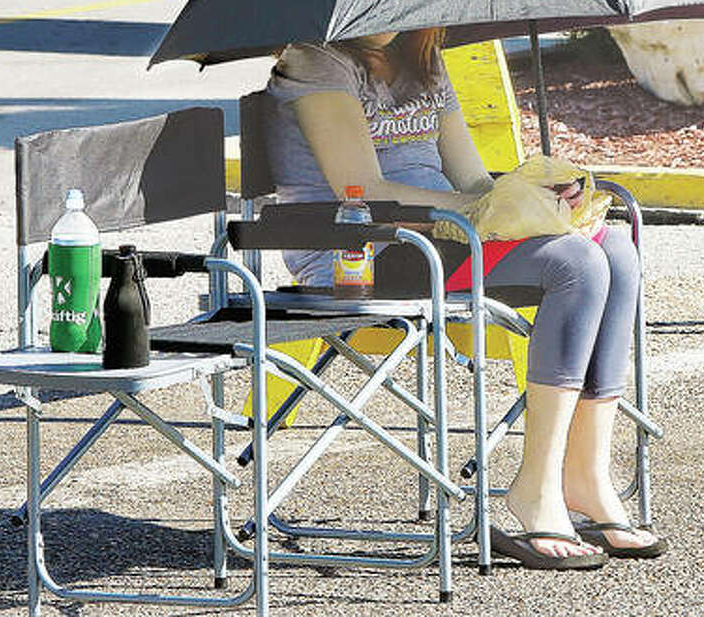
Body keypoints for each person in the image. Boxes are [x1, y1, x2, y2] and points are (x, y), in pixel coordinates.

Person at [264, 29, 666, 569]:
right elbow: (363, 189)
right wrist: (481, 214)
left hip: (442, 237)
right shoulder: (316, 61)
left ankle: (586, 477)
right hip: (361, 253)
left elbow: (473, 180)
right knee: (576, 264)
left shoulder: (423, 59)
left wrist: (532, 200)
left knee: (614, 247)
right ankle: (536, 488)